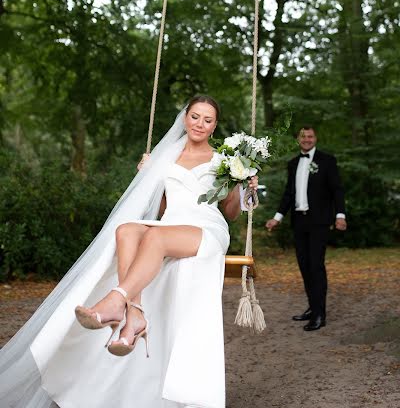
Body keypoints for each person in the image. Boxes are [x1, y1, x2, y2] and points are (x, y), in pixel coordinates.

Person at [0, 94, 258, 408]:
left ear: (215, 125)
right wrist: (147, 177)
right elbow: (163, 206)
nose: (200, 124)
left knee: (155, 239)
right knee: (126, 230)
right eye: (195, 116)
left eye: (208, 119)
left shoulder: (225, 159)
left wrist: (246, 186)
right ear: (185, 117)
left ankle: (116, 301)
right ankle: (134, 314)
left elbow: (230, 211)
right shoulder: (166, 156)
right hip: (172, 223)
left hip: (206, 228)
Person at [266, 126, 346, 331]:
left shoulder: (327, 161)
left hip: (319, 221)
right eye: (303, 136)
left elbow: (337, 189)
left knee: (316, 266)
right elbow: (288, 193)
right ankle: (312, 307)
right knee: (304, 266)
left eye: (310, 136)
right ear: (298, 139)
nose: (307, 139)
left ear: (315, 138)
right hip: (299, 222)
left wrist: (340, 215)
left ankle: (320, 314)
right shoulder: (293, 163)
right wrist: (277, 218)